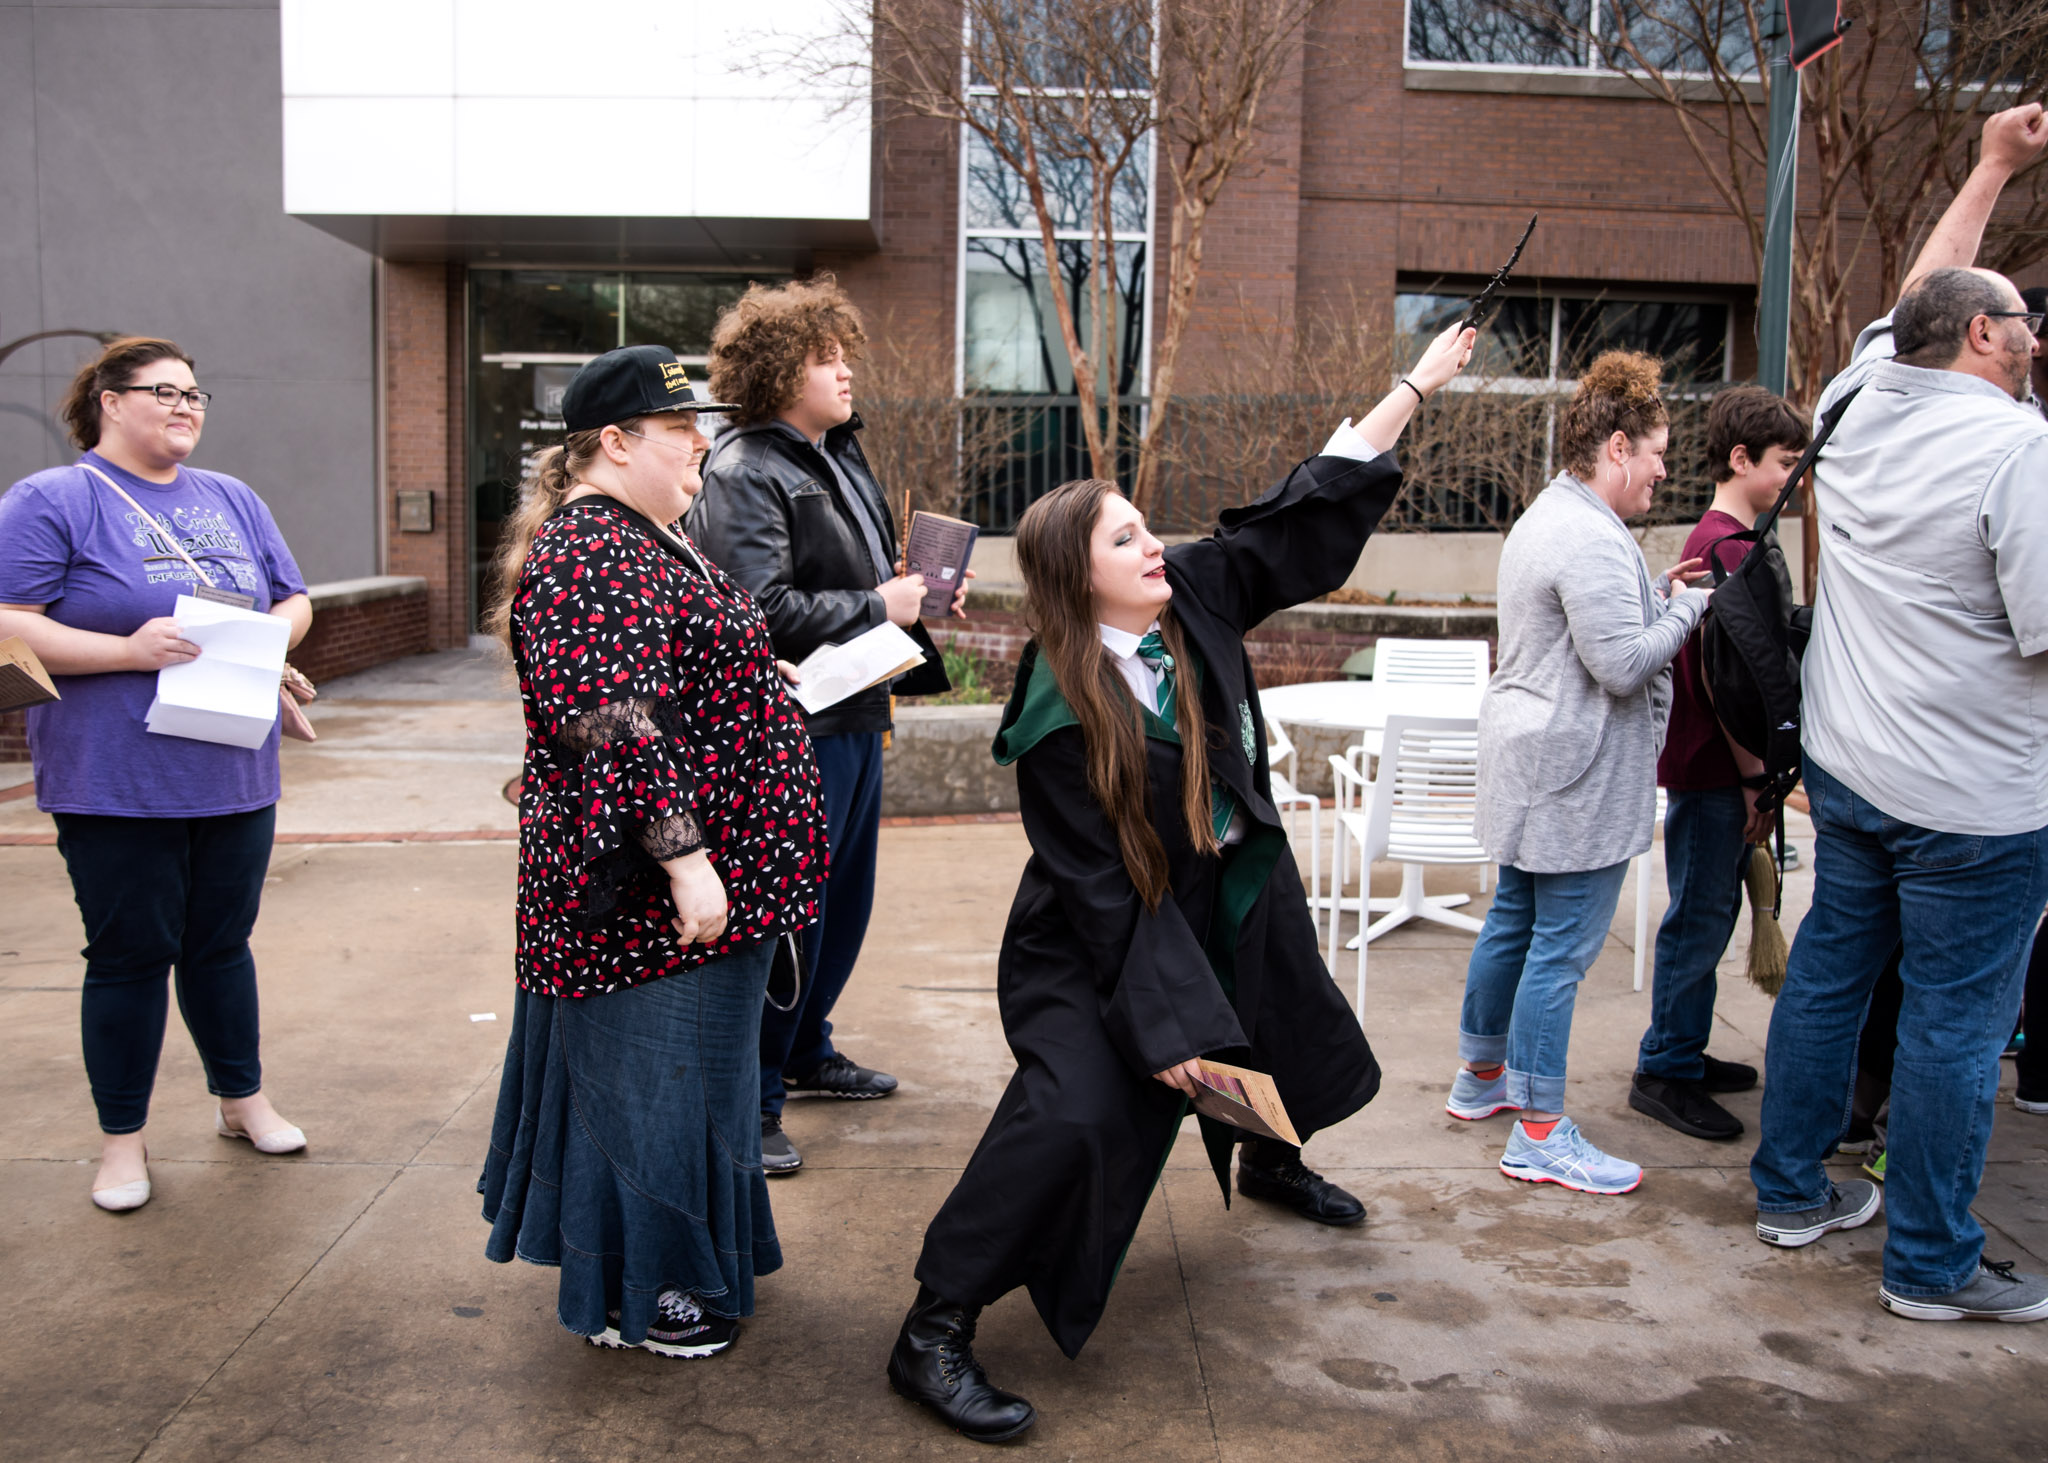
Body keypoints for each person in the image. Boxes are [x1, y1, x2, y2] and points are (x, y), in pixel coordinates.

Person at [884, 320, 1477, 1444]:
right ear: (1079, 575)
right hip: (1099, 932)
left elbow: (1294, 510)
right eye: (1126, 538)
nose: (1154, 543)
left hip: (1226, 889)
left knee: (1281, 1023)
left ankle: (1270, 1157)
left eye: (1146, 525)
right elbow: (1103, 891)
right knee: (1075, 1108)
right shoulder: (1058, 711)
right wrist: (1160, 1025)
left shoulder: (1192, 592)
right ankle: (935, 1322)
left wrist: (1414, 384)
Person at [1747, 100, 2048, 1324]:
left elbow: (1919, 294)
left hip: (1852, 768)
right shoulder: (2016, 452)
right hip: (1972, 801)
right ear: (1982, 335)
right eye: (2019, 320)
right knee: (1954, 1023)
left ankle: (1787, 1190)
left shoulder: (1854, 398)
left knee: (1828, 973)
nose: (2031, 334)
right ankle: (1928, 1260)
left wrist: (1989, 166)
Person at [477, 344, 831, 1359]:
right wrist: (686, 862)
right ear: (615, 441)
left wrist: (753, 685)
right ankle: (653, 1287)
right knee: (655, 1090)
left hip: (696, 885)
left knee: (696, 1087)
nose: (700, 447)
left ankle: (683, 1262)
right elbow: (611, 720)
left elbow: (666, 674)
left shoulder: (648, 538)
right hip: (647, 897)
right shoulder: (591, 548)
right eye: (680, 430)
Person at [0, 336, 313, 1212]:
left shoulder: (232, 497)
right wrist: (127, 650)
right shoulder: (53, 499)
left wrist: (267, 643)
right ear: (109, 401)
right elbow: (9, 624)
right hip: (114, 779)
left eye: (195, 393)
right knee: (131, 956)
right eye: (165, 392)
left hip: (234, 768)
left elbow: (292, 597)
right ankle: (122, 1141)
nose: (186, 406)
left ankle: (241, 1100)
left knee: (221, 946)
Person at [687, 276, 963, 1176]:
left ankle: (806, 1051)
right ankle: (755, 1099)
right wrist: (879, 602)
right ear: (778, 371)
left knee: (842, 903)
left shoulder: (832, 453)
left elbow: (849, 580)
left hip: (854, 706)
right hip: (795, 724)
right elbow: (754, 610)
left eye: (844, 355)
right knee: (788, 915)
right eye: (825, 358)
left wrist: (914, 595)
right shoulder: (743, 469)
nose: (846, 372)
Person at [1445, 350, 1711, 1196]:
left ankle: (1481, 1078)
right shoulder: (1593, 536)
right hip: (1574, 773)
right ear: (1618, 447)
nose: (1663, 470)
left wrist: (1652, 593)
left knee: (1513, 924)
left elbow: (1587, 633)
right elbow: (1624, 665)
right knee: (1557, 951)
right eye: (1657, 453)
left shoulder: (1549, 513)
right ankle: (1538, 1130)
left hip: (1532, 762)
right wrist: (1687, 609)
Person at [1627, 386, 1810, 1141]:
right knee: (1699, 921)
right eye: (1785, 463)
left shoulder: (1723, 542)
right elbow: (1730, 683)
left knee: (1712, 913)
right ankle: (1665, 1069)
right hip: (1713, 773)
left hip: (1715, 772)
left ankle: (1685, 1050)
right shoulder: (1727, 550)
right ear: (1740, 458)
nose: (1794, 478)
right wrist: (1755, 780)